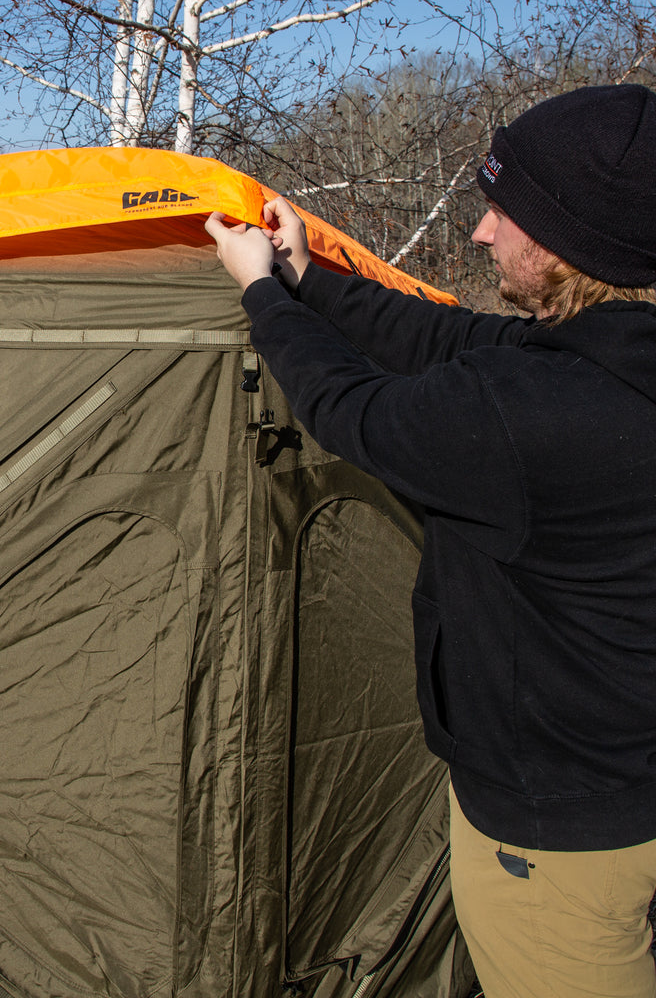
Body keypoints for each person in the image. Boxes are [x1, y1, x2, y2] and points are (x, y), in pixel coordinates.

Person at [204, 83, 656, 998]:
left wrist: (259, 292)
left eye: (504, 213)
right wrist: (305, 277)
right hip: (625, 782)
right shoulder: (610, 358)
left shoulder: (537, 417)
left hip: (556, 838)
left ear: (575, 241)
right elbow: (453, 338)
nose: (483, 233)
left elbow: (352, 410)